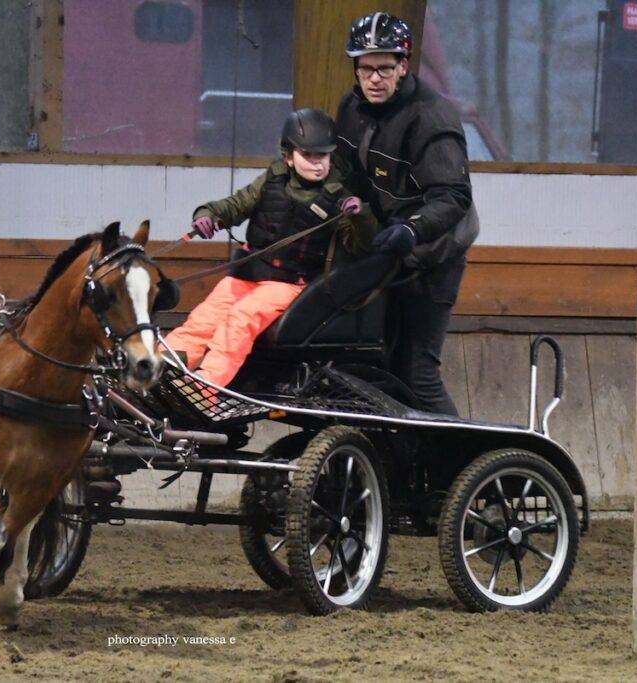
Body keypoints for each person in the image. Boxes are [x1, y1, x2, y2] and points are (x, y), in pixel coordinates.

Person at [163, 108, 377, 388]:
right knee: (204, 318)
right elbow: (237, 204)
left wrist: (361, 217)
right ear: (289, 156)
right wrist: (208, 215)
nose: (317, 164)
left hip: (288, 284)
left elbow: (364, 246)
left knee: (239, 321)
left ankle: (205, 388)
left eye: (323, 156)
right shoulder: (272, 179)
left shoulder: (339, 198)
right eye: (308, 155)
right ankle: (161, 369)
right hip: (248, 274)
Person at [333, 11, 479, 415]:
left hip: (435, 251)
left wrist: (412, 230)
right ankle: (399, 450)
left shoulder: (431, 117)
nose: (374, 78)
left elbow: (453, 196)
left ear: (403, 65)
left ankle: (457, 452)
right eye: (365, 68)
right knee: (377, 365)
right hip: (387, 245)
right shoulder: (351, 107)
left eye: (384, 68)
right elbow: (345, 172)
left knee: (417, 372)